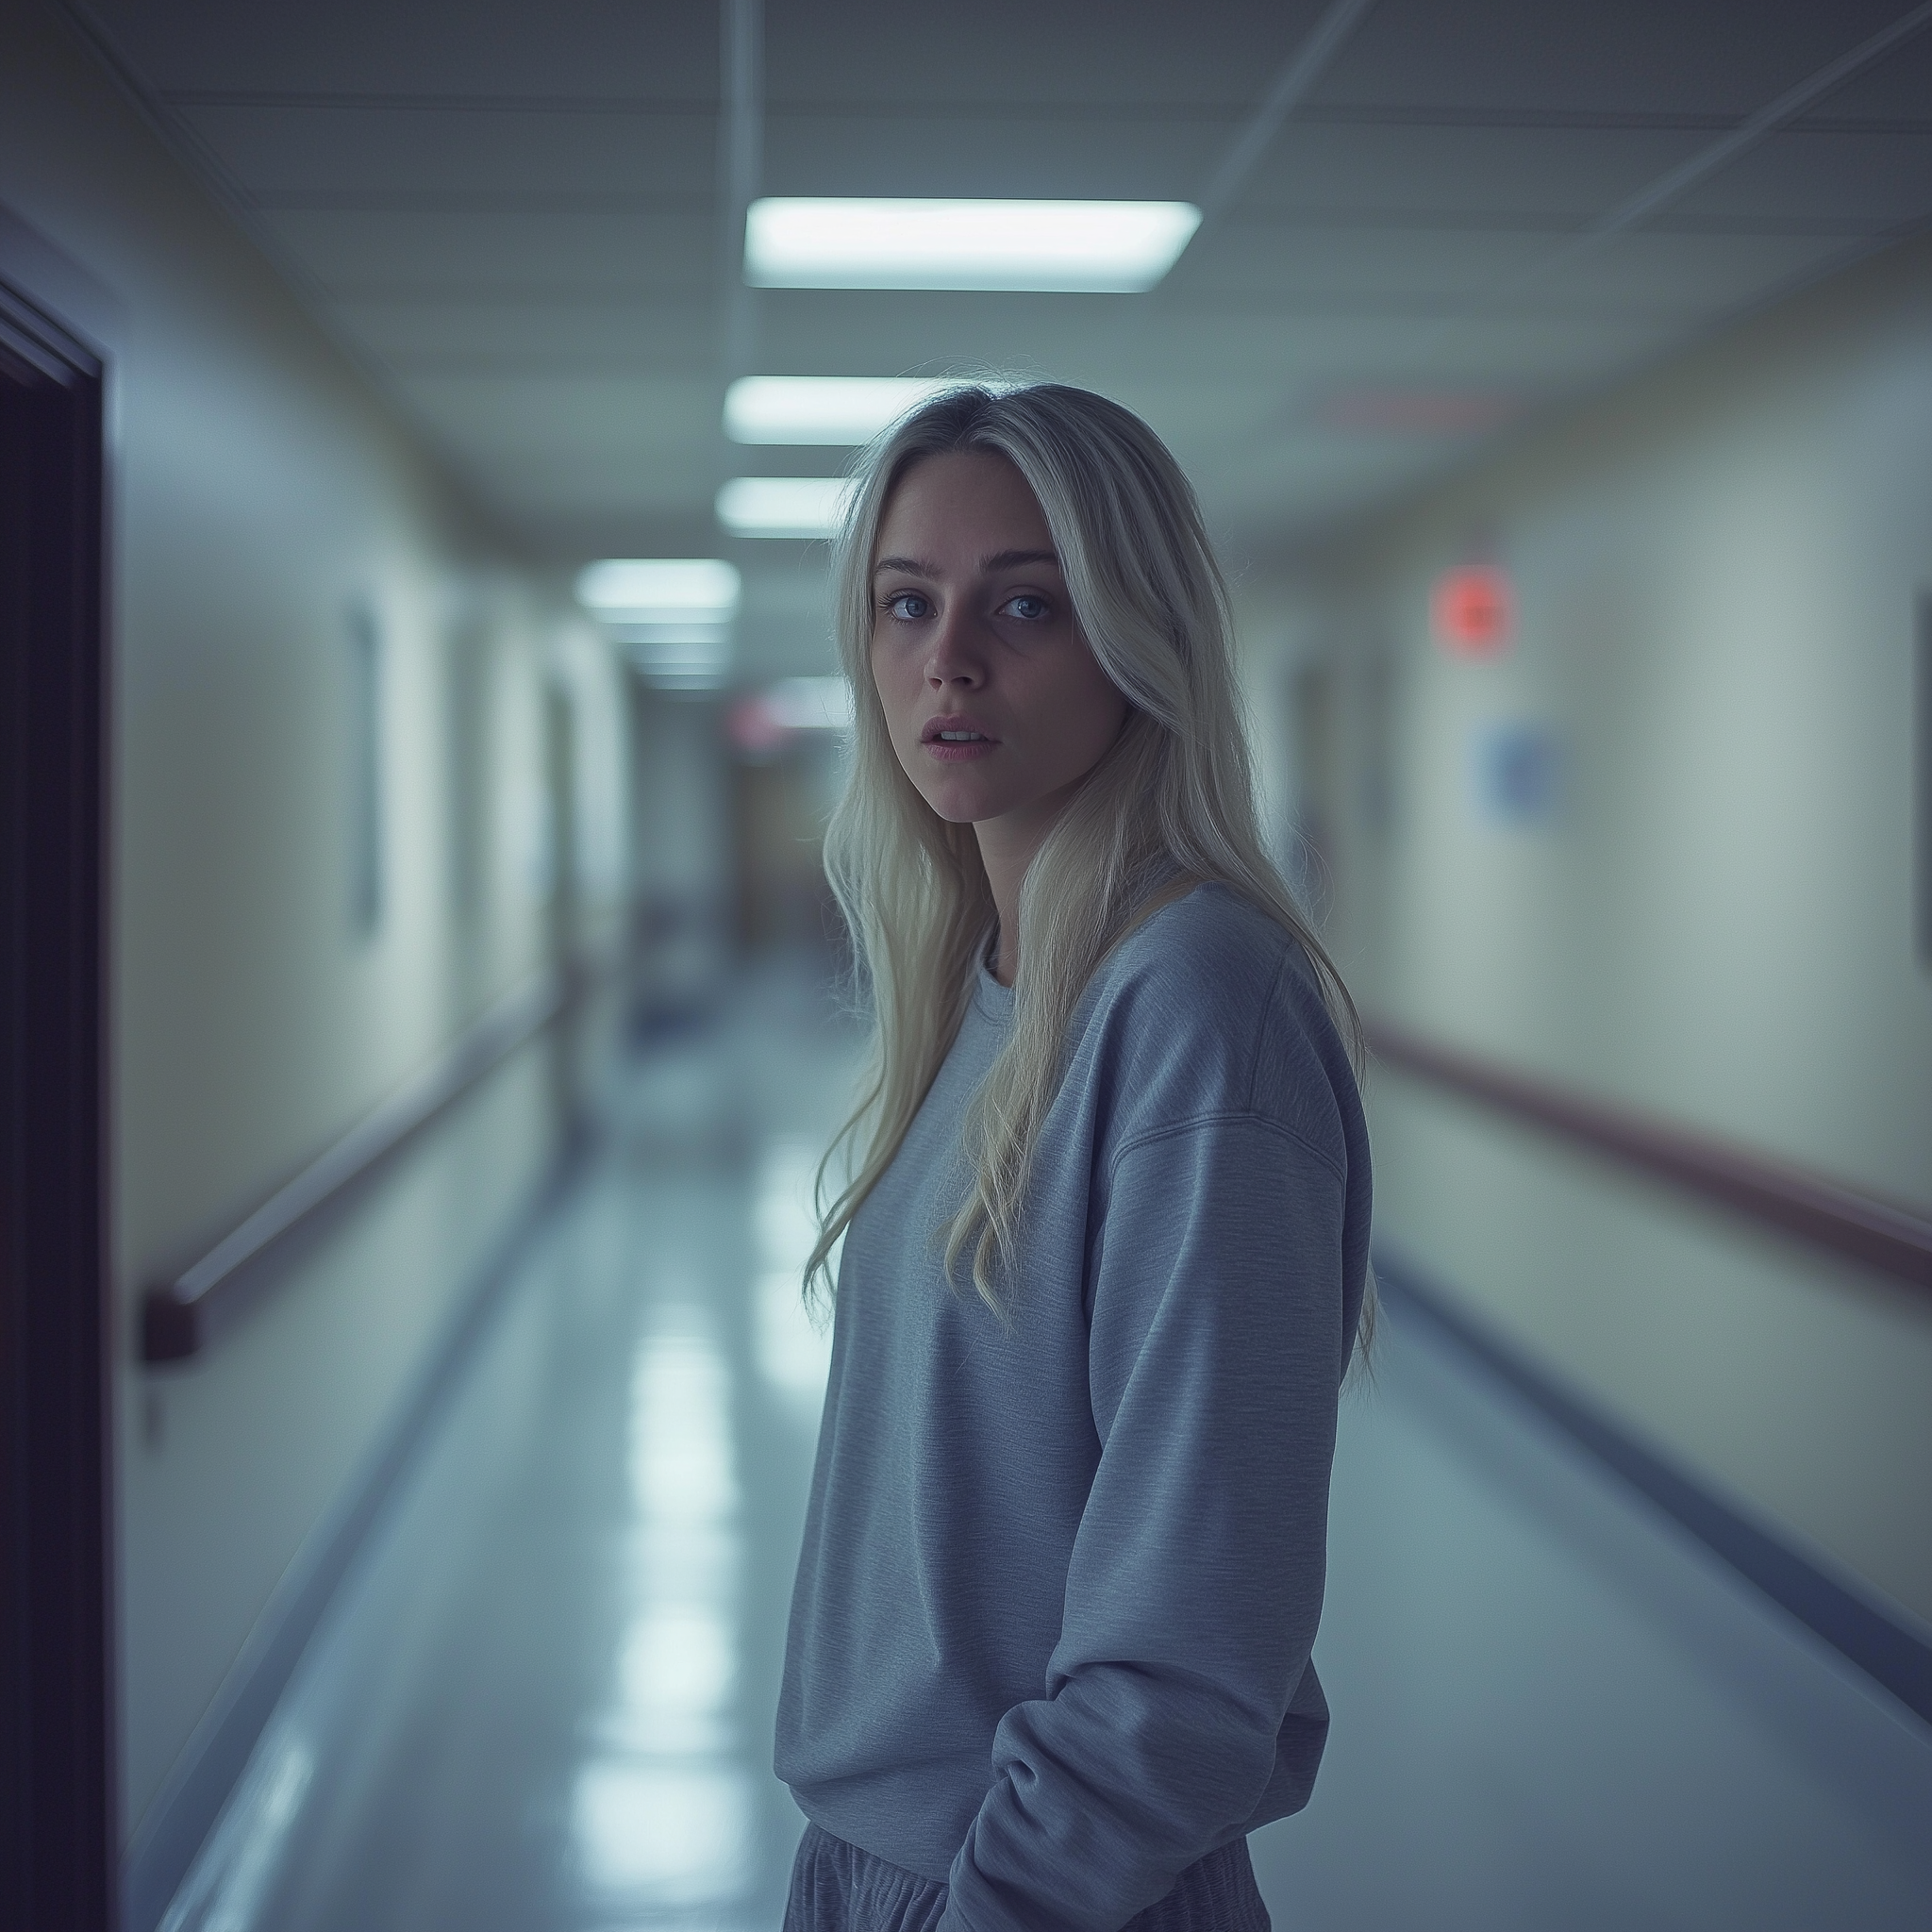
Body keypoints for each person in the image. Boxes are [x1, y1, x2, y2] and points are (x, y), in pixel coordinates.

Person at [774, 383, 1372, 1932]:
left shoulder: (1193, 1004)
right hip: (876, 1864)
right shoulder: (979, 985)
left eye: (1025, 602)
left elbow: (1187, 1642)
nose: (947, 658)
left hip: (1042, 1892)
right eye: (906, 605)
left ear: (1137, 636)